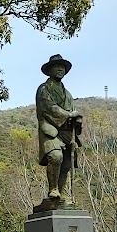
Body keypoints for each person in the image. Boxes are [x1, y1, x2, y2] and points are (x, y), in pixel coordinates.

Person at [36, 54, 82, 201]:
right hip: (50, 129)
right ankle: (53, 189)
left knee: (67, 162)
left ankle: (61, 193)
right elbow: (48, 107)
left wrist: (77, 119)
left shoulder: (67, 94)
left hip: (66, 132)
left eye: (63, 67)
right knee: (56, 157)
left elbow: (73, 110)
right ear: (50, 70)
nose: (60, 69)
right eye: (57, 66)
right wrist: (68, 115)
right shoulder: (43, 89)